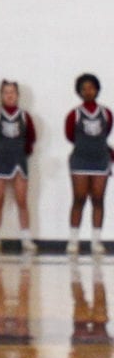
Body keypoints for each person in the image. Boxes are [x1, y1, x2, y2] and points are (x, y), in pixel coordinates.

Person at [0, 80, 36, 253]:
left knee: (22, 201)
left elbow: (31, 138)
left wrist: (21, 152)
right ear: (1, 95)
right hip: (0, 161)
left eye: (13, 91)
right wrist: (0, 152)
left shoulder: (24, 115)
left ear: (18, 94)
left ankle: (26, 238)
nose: (10, 95)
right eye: (6, 92)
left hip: (19, 162)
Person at [66, 73, 112, 257]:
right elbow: (70, 135)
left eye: (91, 87)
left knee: (98, 200)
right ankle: (73, 240)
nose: (88, 91)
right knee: (79, 199)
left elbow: (106, 132)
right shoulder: (74, 114)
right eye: (84, 88)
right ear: (79, 91)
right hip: (80, 160)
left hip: (101, 160)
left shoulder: (106, 113)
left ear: (97, 89)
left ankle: (96, 241)